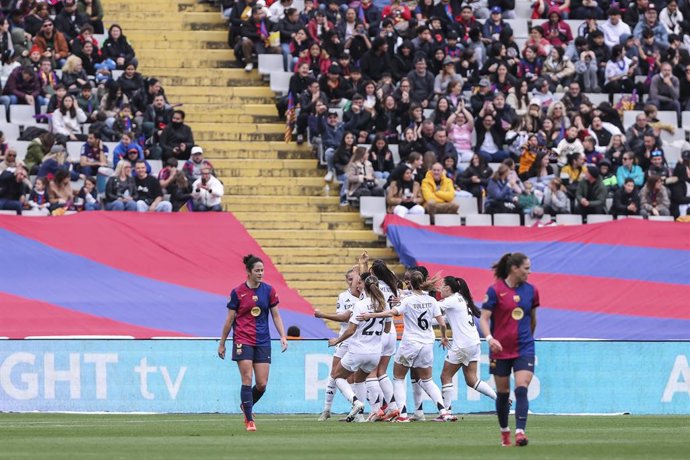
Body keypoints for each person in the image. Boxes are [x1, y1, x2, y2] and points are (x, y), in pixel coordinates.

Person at [358, 270, 451, 422]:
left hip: (410, 343)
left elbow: (390, 313)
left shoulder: (408, 301)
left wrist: (371, 315)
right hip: (428, 343)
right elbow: (442, 322)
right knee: (427, 380)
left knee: (398, 378)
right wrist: (445, 337)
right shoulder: (432, 301)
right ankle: (444, 411)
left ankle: (403, 414)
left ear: (409, 284)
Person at [218, 254, 289, 432]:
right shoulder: (237, 292)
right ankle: (249, 420)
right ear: (248, 272)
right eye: (257, 270)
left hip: (263, 340)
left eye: (262, 270)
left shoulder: (269, 290)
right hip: (243, 339)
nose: (260, 273)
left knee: (262, 384)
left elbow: (276, 315)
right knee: (247, 378)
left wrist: (282, 335)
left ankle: (246, 405)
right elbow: (229, 320)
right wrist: (222, 343)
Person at [480, 252, 539, 447]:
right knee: (503, 393)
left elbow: (532, 319)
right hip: (500, 349)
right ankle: (505, 432)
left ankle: (520, 432)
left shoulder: (532, 291)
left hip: (524, 347)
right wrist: (490, 338)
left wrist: (528, 338)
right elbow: (484, 318)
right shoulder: (495, 290)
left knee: (521, 388)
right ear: (515, 269)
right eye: (526, 268)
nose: (529, 272)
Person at [438, 276, 497, 420]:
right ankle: (499, 399)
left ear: (448, 288)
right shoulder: (461, 300)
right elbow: (444, 318)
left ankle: (447, 412)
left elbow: (433, 308)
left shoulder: (451, 300)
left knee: (445, 376)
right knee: (472, 380)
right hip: (474, 342)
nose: (439, 289)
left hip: (462, 344)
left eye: (441, 286)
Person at [314, 268, 362, 421]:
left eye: (355, 279)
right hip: (345, 339)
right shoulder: (343, 297)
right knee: (334, 373)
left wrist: (322, 315)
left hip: (358, 340)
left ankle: (356, 412)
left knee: (353, 377)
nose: (353, 282)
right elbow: (343, 319)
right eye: (350, 279)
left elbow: (345, 317)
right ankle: (326, 410)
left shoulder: (365, 297)